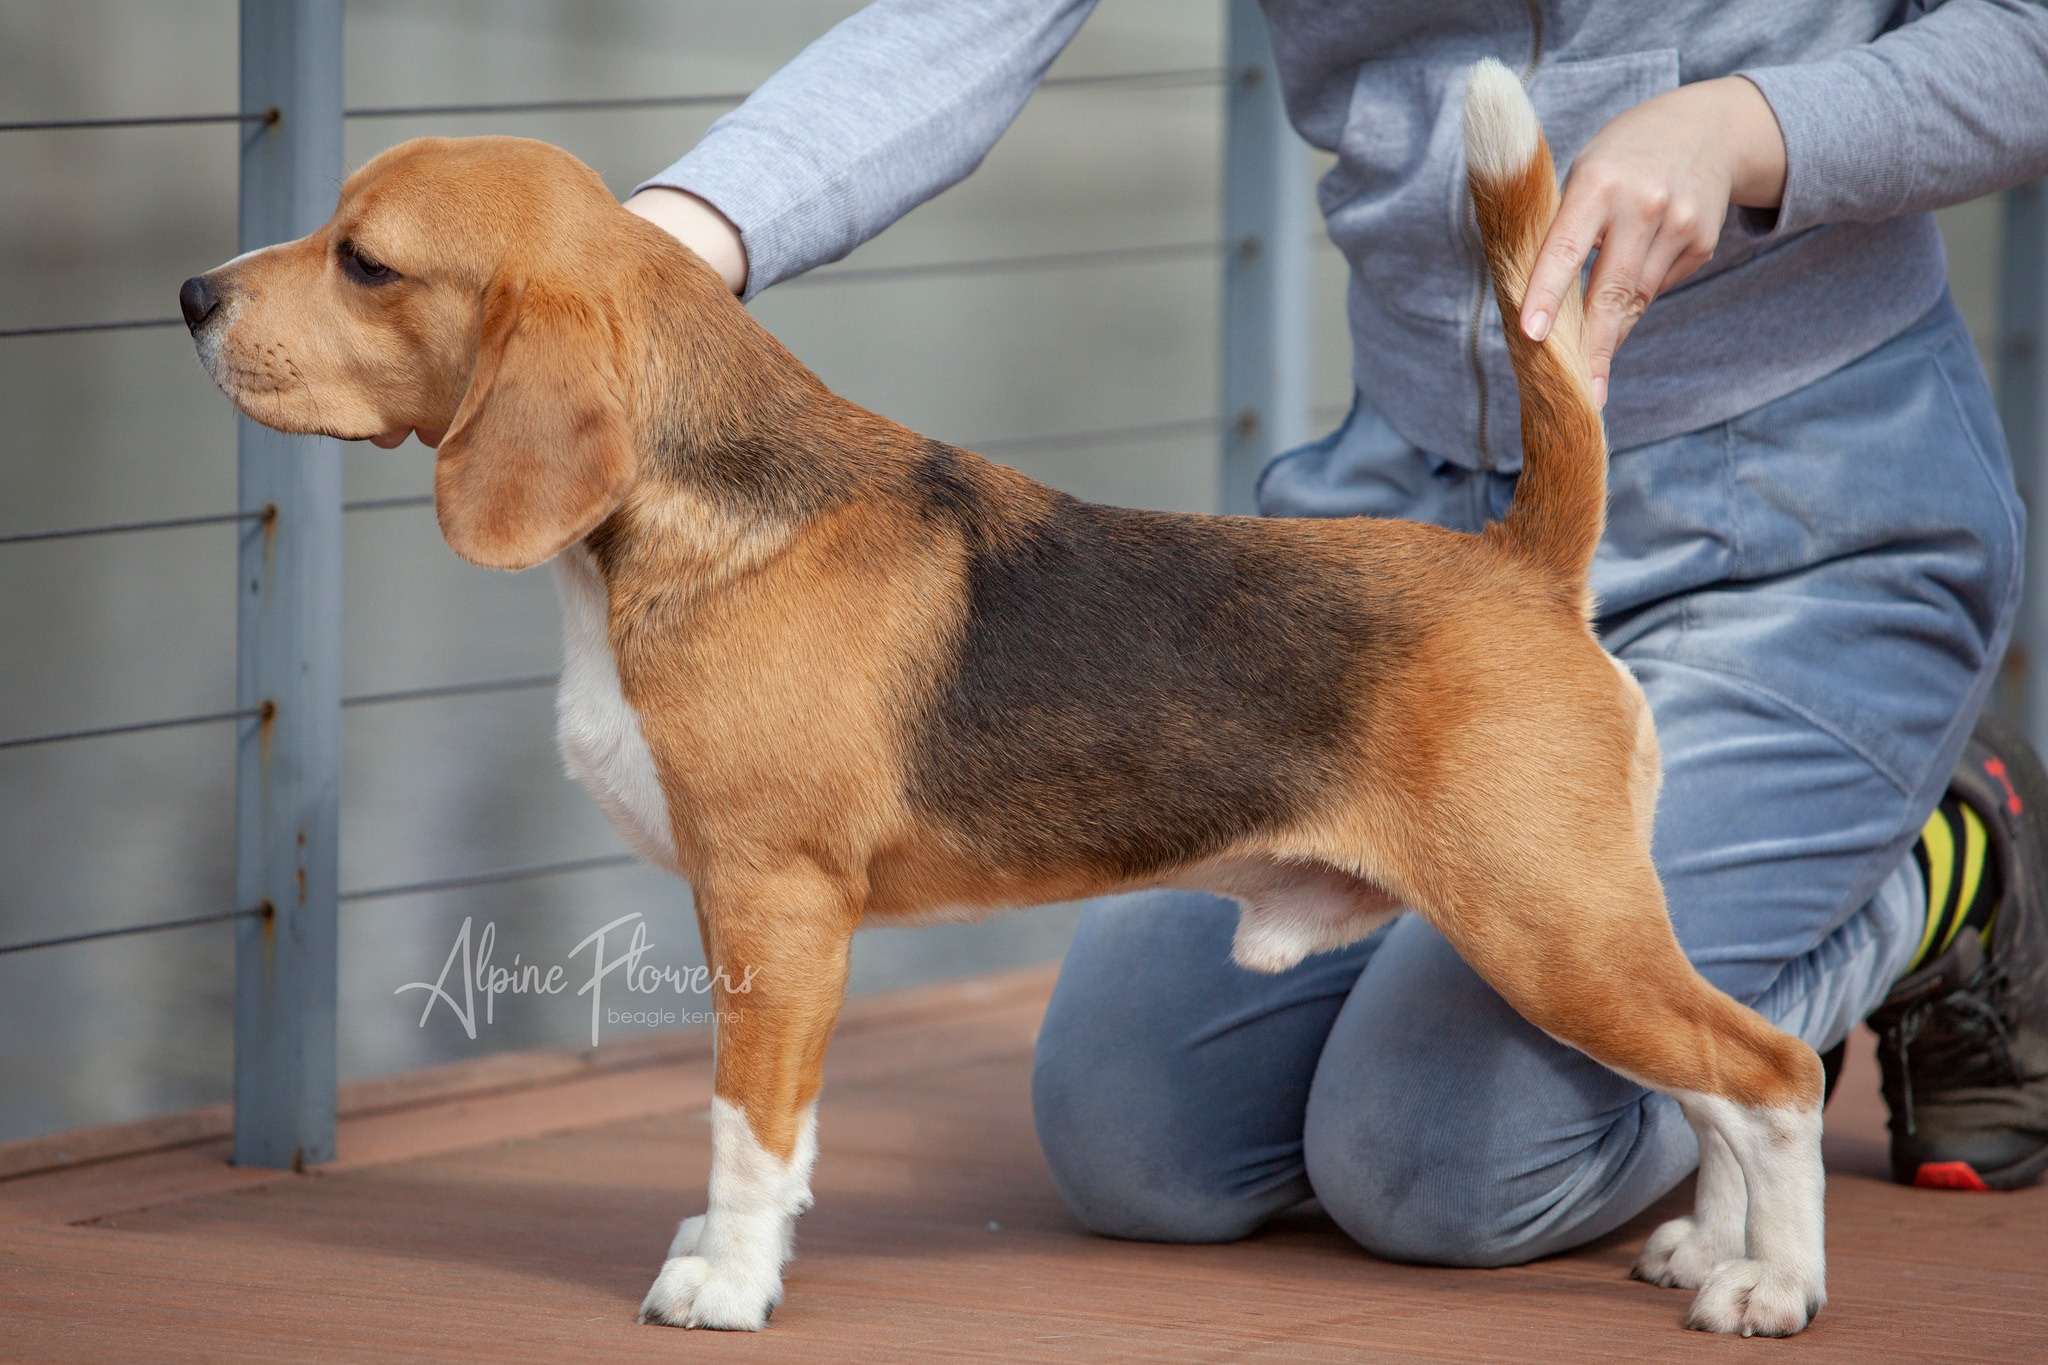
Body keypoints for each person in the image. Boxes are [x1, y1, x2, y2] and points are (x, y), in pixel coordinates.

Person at [622, 1, 2048, 1264]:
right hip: (1393, 545)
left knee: (1444, 1165)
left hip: (1812, 512)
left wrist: (1758, 127)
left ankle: (1932, 873)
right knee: (1136, 1139)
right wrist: (648, 262)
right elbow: (964, 24)